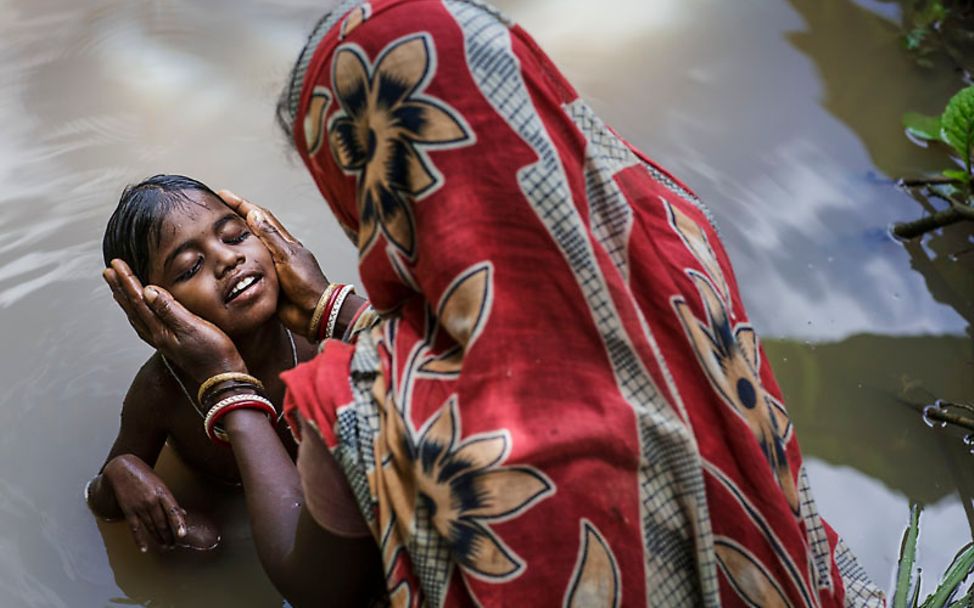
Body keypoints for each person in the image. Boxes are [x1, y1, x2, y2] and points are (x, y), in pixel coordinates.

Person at [105, 1, 887, 606]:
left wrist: (227, 388)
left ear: (370, 189)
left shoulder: (367, 398)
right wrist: (345, 312)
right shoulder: (675, 238)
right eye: (191, 262)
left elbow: (313, 589)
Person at [86, 174, 367, 554]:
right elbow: (102, 501)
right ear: (153, 309)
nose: (228, 259)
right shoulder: (162, 389)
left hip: (329, 522)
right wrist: (122, 471)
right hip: (244, 525)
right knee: (202, 543)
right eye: (189, 268)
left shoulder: (318, 336)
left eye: (235, 236)